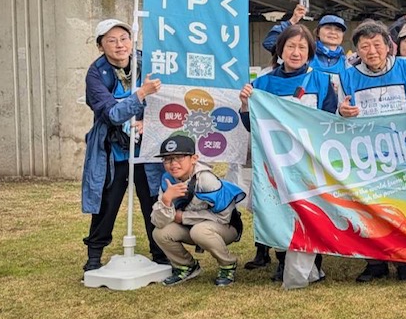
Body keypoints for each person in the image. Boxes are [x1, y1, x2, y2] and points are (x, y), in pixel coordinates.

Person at [238, 24, 339, 277]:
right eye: (290, 46)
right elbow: (253, 127)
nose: (296, 52)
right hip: (275, 161)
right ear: (280, 50)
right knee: (279, 209)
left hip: (310, 161)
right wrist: (244, 105)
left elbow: (329, 124)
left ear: (310, 52)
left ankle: (315, 262)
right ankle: (283, 260)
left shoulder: (323, 81)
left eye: (302, 48)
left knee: (312, 210)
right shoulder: (262, 83)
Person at [338, 20, 406, 282]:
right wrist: (343, 112)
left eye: (377, 44)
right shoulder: (348, 76)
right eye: (365, 46)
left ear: (389, 46)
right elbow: (339, 114)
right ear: (358, 51)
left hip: (405, 151)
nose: (372, 51)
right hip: (367, 154)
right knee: (370, 208)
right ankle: (374, 262)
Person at [81, 19, 167, 273]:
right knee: (107, 202)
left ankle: (160, 253)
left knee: (152, 199)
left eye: (124, 38)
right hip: (113, 150)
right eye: (111, 40)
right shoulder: (96, 73)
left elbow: (165, 100)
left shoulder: (146, 62)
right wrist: (140, 94)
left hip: (148, 147)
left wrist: (145, 122)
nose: (120, 45)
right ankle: (94, 255)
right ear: (100, 46)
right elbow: (113, 114)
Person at [151, 134, 248, 287]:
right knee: (160, 232)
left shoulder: (206, 179)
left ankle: (228, 264)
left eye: (179, 157)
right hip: (193, 227)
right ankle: (187, 266)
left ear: (194, 158)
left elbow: (224, 217)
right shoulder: (167, 180)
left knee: (199, 230)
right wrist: (166, 200)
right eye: (168, 159)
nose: (173, 164)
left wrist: (184, 217)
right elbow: (157, 221)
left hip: (226, 228)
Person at [262, 4, 350, 75]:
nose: (333, 32)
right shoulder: (305, 53)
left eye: (338, 30)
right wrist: (292, 21)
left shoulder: (348, 62)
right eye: (328, 28)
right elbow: (269, 42)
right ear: (318, 32)